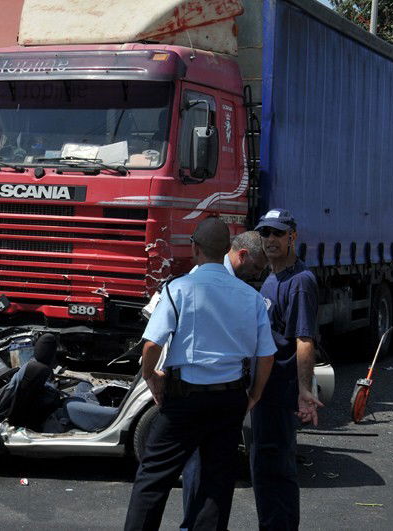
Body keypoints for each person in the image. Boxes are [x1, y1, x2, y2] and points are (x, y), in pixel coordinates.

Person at [124, 219, 276, 531]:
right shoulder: (251, 298)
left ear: (195, 249)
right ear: (226, 251)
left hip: (186, 398)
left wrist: (150, 375)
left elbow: (152, 344)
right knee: (217, 483)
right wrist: (254, 394)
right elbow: (266, 355)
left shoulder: (178, 288)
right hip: (230, 398)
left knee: (153, 478)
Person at [180, 230, 270, 529]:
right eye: (256, 268)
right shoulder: (217, 283)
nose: (257, 275)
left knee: (215, 468)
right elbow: (265, 352)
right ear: (242, 255)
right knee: (202, 466)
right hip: (207, 389)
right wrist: (254, 394)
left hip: (212, 388)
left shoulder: (222, 282)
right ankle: (193, 524)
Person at [252, 209, 324, 530]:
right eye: (264, 233)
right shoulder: (273, 276)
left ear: (292, 236)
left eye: (277, 233)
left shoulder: (300, 282)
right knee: (264, 473)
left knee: (277, 473)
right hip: (263, 393)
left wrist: (305, 391)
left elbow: (304, 340)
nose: (269, 240)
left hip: (279, 394)